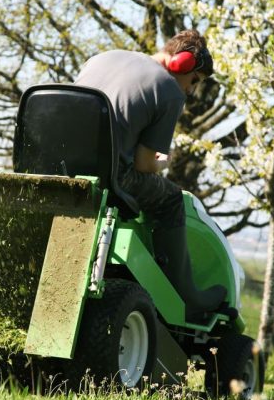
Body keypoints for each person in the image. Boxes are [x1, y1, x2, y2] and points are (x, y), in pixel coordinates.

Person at [75, 29, 227, 321]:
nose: (192, 90)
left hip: (57, 165)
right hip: (108, 176)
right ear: (181, 64)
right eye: (194, 80)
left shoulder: (103, 58)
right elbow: (146, 164)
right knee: (170, 198)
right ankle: (188, 298)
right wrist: (163, 162)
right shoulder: (168, 89)